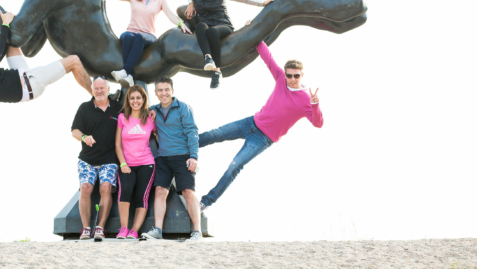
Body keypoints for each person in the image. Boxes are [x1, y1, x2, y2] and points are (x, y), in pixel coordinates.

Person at [197, 39, 323, 211]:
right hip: (251, 122)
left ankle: (205, 202)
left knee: (234, 166)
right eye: (289, 75)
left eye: (296, 76)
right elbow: (267, 57)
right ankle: (180, 145)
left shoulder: (306, 99)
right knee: (215, 134)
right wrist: (255, 30)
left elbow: (318, 123)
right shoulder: (280, 78)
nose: (292, 79)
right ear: (285, 74)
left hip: (262, 138)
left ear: (302, 75)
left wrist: (315, 105)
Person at [0, 9, 93, 100]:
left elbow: (0, 53)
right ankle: (95, 96)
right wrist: (4, 25)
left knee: (10, 41)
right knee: (74, 61)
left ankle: (34, 33)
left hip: (20, 77)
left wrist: (7, 27)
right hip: (32, 83)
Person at [86, 0, 192, 88]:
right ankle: (129, 76)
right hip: (131, 32)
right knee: (126, 36)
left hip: (148, 36)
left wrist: (181, 24)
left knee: (139, 37)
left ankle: (125, 71)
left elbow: (171, 15)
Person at [185, 0, 275, 89]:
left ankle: (216, 70)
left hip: (223, 25)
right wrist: (190, 3)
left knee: (212, 32)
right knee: (200, 26)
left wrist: (261, 3)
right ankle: (208, 58)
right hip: (205, 23)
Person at [140, 76, 203, 241]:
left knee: (188, 192)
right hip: (163, 158)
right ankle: (158, 231)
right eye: (160, 90)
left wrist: (194, 157)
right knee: (160, 191)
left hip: (183, 156)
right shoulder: (154, 110)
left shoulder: (183, 108)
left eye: (167, 89)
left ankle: (197, 232)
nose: (164, 93)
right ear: (155, 93)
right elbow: (138, 112)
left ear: (172, 91)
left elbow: (192, 133)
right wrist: (148, 111)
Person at [71, 76, 123, 240]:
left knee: (105, 187)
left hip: (110, 159)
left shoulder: (118, 108)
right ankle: (86, 229)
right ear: (92, 90)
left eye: (102, 88)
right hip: (88, 159)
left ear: (108, 89)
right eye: (96, 89)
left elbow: (136, 113)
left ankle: (100, 228)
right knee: (86, 187)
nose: (99, 91)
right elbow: (75, 131)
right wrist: (84, 137)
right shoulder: (84, 108)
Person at [114, 85, 157, 239]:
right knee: (124, 192)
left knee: (142, 196)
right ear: (128, 100)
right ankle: (123, 229)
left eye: (138, 98)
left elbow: (159, 138)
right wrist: (123, 164)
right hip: (127, 164)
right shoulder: (122, 118)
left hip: (147, 163)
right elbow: (118, 144)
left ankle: (134, 230)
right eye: (132, 98)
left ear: (143, 99)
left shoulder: (151, 119)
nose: (135, 101)